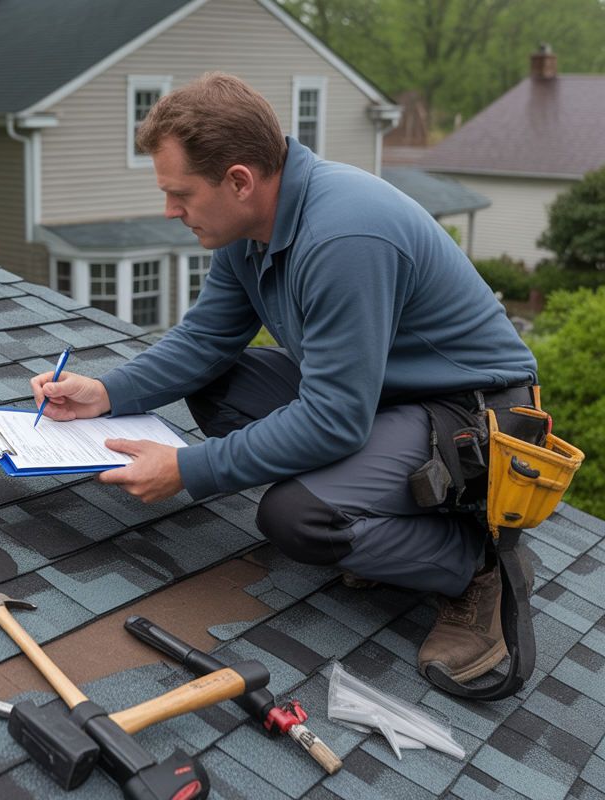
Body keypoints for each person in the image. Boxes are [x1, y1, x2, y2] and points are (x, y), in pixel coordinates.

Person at [30, 72, 538, 686]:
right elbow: (206, 341)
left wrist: (190, 470)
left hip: (476, 417)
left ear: (239, 180)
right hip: (385, 398)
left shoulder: (343, 234)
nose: (169, 210)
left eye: (180, 192)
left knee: (296, 517)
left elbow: (333, 419)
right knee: (218, 384)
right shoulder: (247, 230)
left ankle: (474, 561)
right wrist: (108, 393)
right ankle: (371, 505)